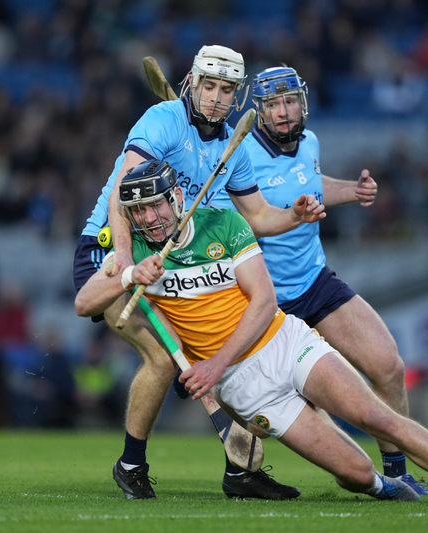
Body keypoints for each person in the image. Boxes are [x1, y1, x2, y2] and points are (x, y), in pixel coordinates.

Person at [75, 160, 428, 508]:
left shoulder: (222, 225)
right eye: (139, 211)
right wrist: (131, 273)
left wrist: (213, 364)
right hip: (248, 389)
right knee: (356, 474)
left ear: (176, 197)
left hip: (286, 344)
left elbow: (265, 301)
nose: (150, 218)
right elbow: (84, 303)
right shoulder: (136, 255)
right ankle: (383, 486)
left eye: (156, 204)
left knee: (378, 418)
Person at [73, 45, 324, 500]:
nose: (215, 97)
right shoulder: (164, 119)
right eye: (209, 86)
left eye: (226, 89)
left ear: (237, 97)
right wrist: (127, 263)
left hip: (172, 257)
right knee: (164, 355)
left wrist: (297, 216)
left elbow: (260, 216)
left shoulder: (233, 147)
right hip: (112, 247)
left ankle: (241, 473)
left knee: (226, 344)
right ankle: (131, 464)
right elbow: (121, 194)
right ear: (192, 82)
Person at [209, 66, 428, 495]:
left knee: (388, 366)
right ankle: (239, 472)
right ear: (259, 111)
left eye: (288, 102)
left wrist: (352, 190)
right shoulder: (239, 156)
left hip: (314, 280)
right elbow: (227, 224)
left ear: (302, 103)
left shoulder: (309, 142)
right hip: (265, 298)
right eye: (272, 105)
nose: (282, 112)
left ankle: (398, 472)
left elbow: (309, 182)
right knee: (277, 403)